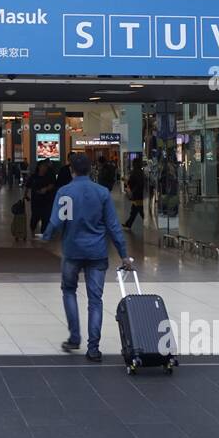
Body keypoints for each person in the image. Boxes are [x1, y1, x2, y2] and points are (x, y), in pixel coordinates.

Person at [40, 153, 135, 362]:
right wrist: (124, 255)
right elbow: (113, 227)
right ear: (90, 170)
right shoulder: (101, 193)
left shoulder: (65, 192)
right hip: (97, 253)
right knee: (95, 300)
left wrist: (46, 236)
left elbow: (56, 221)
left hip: (72, 251)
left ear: (71, 170)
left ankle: (74, 337)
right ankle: (93, 348)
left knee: (68, 291)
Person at [27, 162, 54, 235]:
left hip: (46, 201)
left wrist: (46, 189)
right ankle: (33, 228)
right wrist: (25, 196)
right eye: (43, 166)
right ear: (39, 167)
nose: (44, 168)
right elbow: (27, 186)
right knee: (35, 217)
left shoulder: (48, 176)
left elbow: (52, 184)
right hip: (36, 201)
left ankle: (43, 232)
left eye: (45, 167)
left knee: (45, 217)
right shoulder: (34, 177)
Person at [123, 161, 145, 229]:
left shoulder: (134, 173)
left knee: (138, 209)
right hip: (141, 193)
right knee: (134, 210)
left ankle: (146, 222)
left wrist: (126, 182)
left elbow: (130, 182)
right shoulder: (142, 172)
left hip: (136, 194)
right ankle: (128, 224)